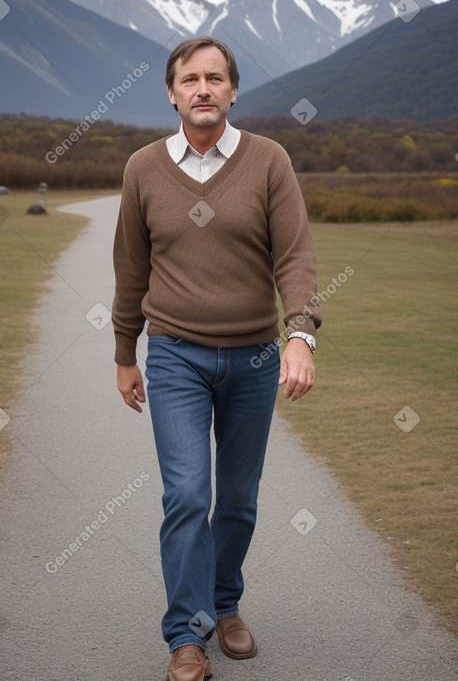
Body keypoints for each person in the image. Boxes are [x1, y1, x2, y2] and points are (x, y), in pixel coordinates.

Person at [112, 36, 321, 681]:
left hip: (255, 359)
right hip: (175, 354)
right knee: (186, 494)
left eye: (215, 78)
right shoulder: (143, 168)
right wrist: (126, 352)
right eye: (189, 79)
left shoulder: (269, 161)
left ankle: (223, 604)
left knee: (236, 499)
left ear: (233, 90)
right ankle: (187, 634)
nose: (202, 89)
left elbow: (294, 256)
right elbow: (130, 268)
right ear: (172, 93)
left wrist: (300, 335)